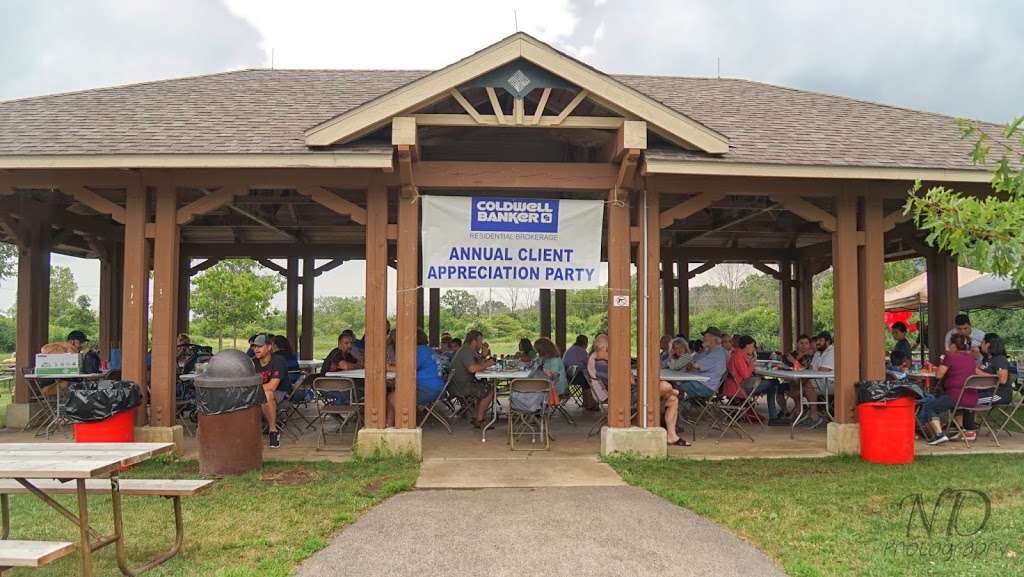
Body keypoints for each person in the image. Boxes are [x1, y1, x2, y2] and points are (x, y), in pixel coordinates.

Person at [919, 333, 979, 445]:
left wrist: (940, 366)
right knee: (954, 406)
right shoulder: (971, 358)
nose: (949, 346)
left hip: (956, 396)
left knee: (929, 406)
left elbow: (939, 375)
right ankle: (960, 430)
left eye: (950, 343)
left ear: (954, 345)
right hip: (972, 397)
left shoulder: (951, 357)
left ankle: (939, 435)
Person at [386, 329, 445, 426]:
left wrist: (388, 367)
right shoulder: (427, 350)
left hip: (427, 389)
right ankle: (390, 425)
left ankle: (404, 425)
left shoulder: (419, 350)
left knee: (393, 397)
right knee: (392, 395)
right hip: (434, 387)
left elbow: (406, 370)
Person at [721, 335, 782, 424]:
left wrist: (751, 363)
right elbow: (745, 375)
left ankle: (773, 416)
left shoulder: (738, 354)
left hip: (738, 385)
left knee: (772, 384)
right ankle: (773, 417)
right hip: (740, 388)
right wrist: (752, 364)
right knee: (774, 383)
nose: (753, 348)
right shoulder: (738, 356)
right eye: (753, 346)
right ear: (747, 345)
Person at [449, 330, 496, 426]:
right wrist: (489, 363)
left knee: (483, 387)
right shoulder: (466, 351)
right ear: (474, 342)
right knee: (489, 391)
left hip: (461, 383)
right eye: (480, 341)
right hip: (460, 386)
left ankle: (475, 417)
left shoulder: (468, 350)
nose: (481, 343)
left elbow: (478, 364)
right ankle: (479, 420)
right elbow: (472, 368)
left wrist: (483, 355)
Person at [251, 334, 287, 448]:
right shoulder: (251, 363)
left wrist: (250, 390)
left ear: (269, 347)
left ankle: (273, 430)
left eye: (260, 346)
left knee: (267, 394)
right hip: (256, 392)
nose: (256, 349)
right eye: (254, 346)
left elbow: (272, 386)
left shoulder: (278, 361)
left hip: (280, 392)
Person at [676, 327, 728, 401]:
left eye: (705, 336)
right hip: (698, 382)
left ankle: (673, 410)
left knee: (673, 389)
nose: (703, 338)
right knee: (672, 386)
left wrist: (692, 366)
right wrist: (692, 366)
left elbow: (694, 365)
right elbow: (690, 363)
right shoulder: (708, 352)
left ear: (713, 339)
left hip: (705, 386)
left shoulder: (717, 353)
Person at [805, 331, 835, 426]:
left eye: (820, 340)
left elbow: (823, 370)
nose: (817, 343)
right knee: (797, 383)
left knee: (807, 383)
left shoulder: (832, 351)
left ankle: (814, 415)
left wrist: (815, 370)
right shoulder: (818, 353)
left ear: (828, 342)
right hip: (820, 380)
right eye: (817, 340)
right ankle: (801, 411)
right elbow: (812, 368)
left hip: (831, 383)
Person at [976, 333, 1010, 412]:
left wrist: (977, 371)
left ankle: (968, 424)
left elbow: (1003, 380)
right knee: (962, 396)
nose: (980, 345)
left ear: (988, 344)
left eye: (982, 342)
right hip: (986, 391)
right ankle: (966, 423)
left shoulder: (1000, 359)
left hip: (999, 394)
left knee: (965, 400)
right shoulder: (987, 358)